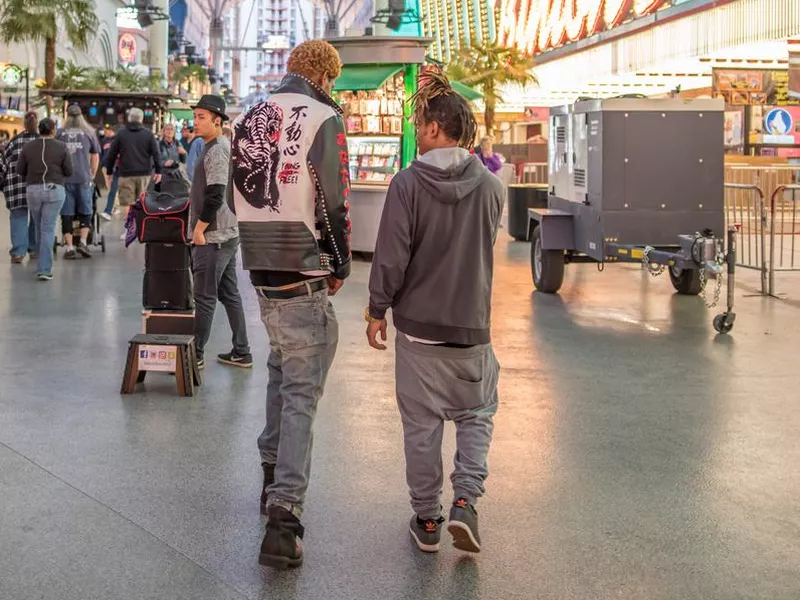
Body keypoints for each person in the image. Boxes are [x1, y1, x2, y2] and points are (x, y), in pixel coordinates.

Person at [366, 69, 504, 555]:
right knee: (477, 412)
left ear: (431, 129)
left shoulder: (407, 184)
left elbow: (391, 254)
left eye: (419, 124)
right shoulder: (492, 188)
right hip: (472, 329)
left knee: (422, 427)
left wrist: (377, 308)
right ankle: (466, 499)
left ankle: (427, 520)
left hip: (419, 333)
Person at [230, 39, 351, 569]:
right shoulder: (324, 117)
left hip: (261, 268)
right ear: (327, 75)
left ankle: (268, 473)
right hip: (304, 270)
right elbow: (334, 199)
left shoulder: (250, 116)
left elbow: (243, 193)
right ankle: (284, 519)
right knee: (302, 391)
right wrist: (340, 263)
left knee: (282, 369)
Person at [188, 94, 251, 371]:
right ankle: (242, 351)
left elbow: (215, 194)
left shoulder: (217, 149)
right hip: (226, 232)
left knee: (204, 295)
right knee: (229, 293)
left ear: (217, 121)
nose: (196, 121)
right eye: (195, 116)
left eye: (201, 117)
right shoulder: (213, 145)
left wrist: (199, 229)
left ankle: (196, 354)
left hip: (214, 235)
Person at [17, 118, 74, 281]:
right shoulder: (61, 147)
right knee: (47, 228)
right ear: (53, 130)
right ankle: (44, 269)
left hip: (33, 190)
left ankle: (41, 262)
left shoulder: (28, 147)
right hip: (55, 190)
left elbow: (20, 170)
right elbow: (69, 171)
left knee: (39, 225)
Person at [104, 108, 162, 232]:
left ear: (129, 118)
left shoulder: (121, 134)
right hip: (144, 173)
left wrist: (109, 172)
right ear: (141, 119)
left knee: (126, 202)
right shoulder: (148, 134)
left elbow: (112, 154)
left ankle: (129, 230)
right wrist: (158, 171)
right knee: (141, 200)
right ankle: (140, 228)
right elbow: (156, 153)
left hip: (125, 173)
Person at [57, 105, 100, 259]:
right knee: (86, 210)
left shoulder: (60, 133)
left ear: (67, 116)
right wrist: (92, 174)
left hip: (65, 179)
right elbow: (95, 156)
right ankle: (82, 242)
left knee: (66, 213)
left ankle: (69, 248)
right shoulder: (89, 132)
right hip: (84, 178)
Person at [0, 112, 38, 263]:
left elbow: (3, 164)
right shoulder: (42, 141)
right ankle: (34, 249)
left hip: (15, 187)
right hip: (37, 186)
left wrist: (2, 184)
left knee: (18, 217)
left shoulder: (14, 141)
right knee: (36, 218)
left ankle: (18, 252)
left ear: (24, 124)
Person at [99, 126, 120, 220]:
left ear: (111, 130)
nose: (105, 132)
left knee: (113, 188)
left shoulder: (118, 139)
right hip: (105, 166)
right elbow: (101, 152)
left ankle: (113, 208)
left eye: (106, 130)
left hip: (114, 166)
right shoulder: (104, 140)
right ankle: (114, 207)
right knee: (109, 187)